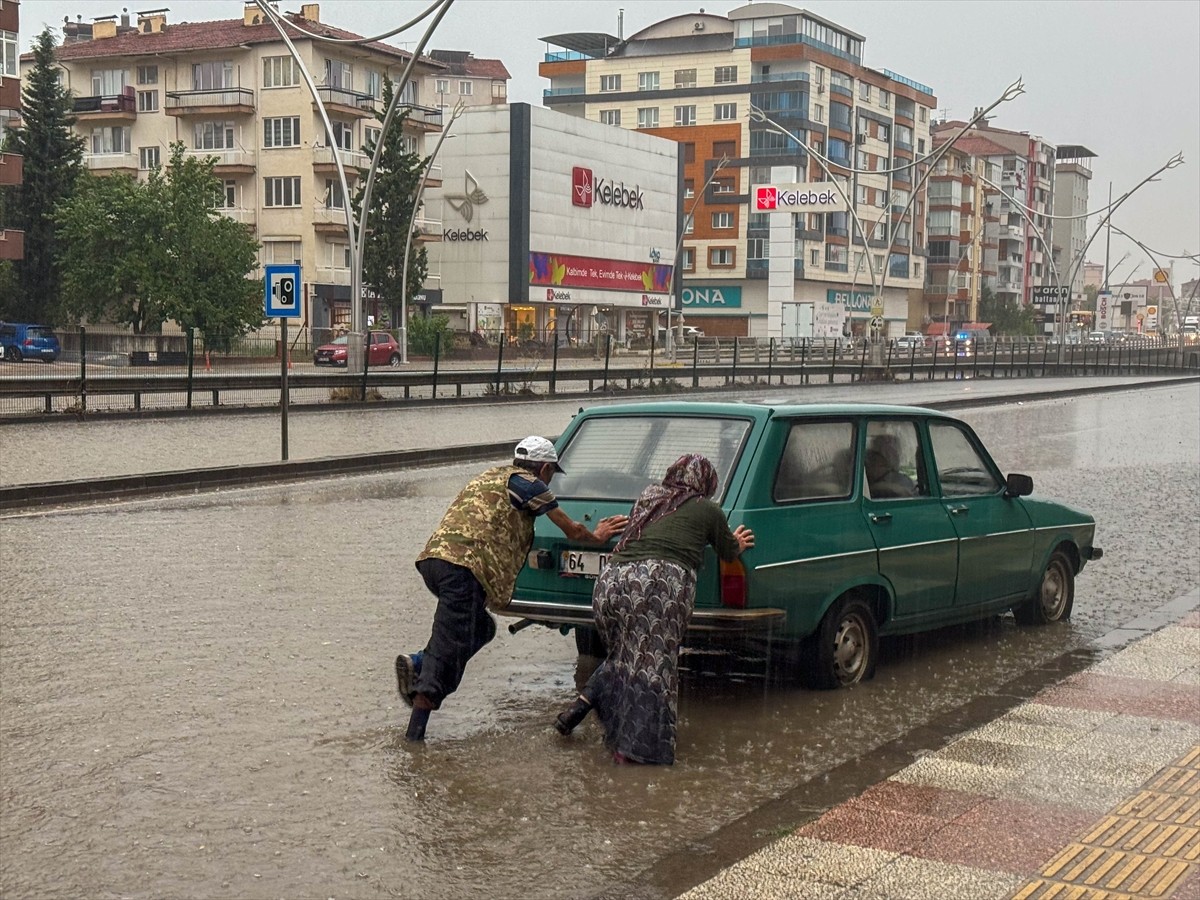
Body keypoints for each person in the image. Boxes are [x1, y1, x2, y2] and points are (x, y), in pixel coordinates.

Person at [396, 436, 628, 741]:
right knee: (447, 651)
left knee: (480, 628)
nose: (550, 480)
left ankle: (421, 662)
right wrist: (598, 536)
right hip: (464, 570)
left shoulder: (490, 475)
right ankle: (414, 738)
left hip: (434, 562)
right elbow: (571, 529)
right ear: (544, 468)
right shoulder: (531, 486)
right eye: (551, 474)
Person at [554, 453, 754, 765]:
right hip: (653, 589)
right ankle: (636, 751)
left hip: (610, 582)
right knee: (654, 670)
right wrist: (737, 543)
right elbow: (728, 551)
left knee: (624, 656)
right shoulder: (708, 508)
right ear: (707, 484)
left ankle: (576, 711)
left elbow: (667, 532)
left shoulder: (648, 495)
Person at [864, 434, 917, 499]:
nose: (869, 463)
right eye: (871, 457)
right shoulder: (864, 480)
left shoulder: (901, 481)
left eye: (874, 457)